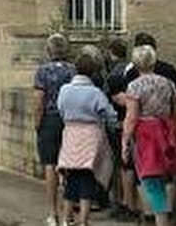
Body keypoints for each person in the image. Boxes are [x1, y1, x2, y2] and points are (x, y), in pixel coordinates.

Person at [121, 44, 176, 226]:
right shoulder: (166, 82)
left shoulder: (134, 86)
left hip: (146, 133)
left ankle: (159, 220)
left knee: (150, 179)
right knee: (164, 177)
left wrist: (125, 141)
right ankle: (162, 218)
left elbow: (131, 117)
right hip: (165, 129)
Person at [57, 48, 118, 225]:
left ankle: (66, 218)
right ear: (92, 72)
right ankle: (83, 220)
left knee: (72, 176)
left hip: (71, 134)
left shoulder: (64, 90)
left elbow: (61, 110)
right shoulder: (95, 93)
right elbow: (110, 114)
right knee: (87, 177)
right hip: (91, 135)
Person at [34, 33, 78, 226]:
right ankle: (68, 213)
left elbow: (38, 101)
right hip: (69, 120)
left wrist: (37, 123)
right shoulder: (73, 70)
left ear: (48, 50)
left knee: (50, 165)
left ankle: (53, 214)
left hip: (50, 120)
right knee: (69, 166)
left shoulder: (42, 71)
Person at [102, 38, 139, 219]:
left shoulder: (116, 73)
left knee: (124, 164)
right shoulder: (132, 69)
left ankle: (126, 203)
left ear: (111, 52)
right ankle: (126, 202)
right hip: (132, 121)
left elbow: (111, 96)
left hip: (120, 122)